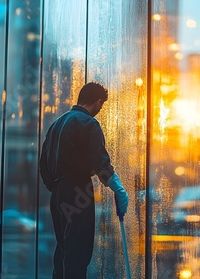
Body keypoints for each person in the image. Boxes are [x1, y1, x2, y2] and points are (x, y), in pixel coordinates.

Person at [39, 82, 129, 278]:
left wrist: (56, 187)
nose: (100, 110)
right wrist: (118, 189)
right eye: (101, 105)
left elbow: (43, 164)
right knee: (78, 251)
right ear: (97, 102)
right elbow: (101, 164)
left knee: (63, 249)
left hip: (58, 193)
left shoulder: (56, 124)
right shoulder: (88, 124)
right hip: (78, 190)